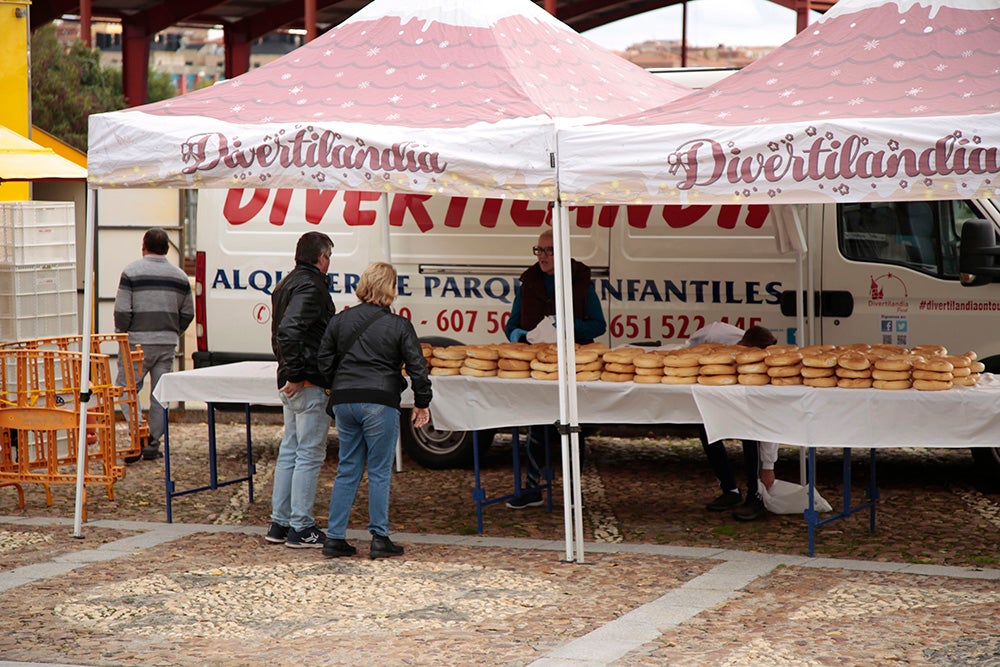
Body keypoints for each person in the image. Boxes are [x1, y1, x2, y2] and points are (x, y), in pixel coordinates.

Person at [318, 261, 432, 560]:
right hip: (380, 401)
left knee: (347, 468)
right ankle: (380, 538)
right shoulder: (398, 325)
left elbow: (324, 361)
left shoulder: (340, 320)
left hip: (345, 400)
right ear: (390, 289)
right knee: (379, 471)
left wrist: (337, 385)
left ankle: (334, 537)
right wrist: (422, 401)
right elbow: (417, 367)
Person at [502, 228, 606, 508]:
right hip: (537, 364)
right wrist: (519, 335)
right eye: (539, 250)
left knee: (571, 427)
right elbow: (511, 324)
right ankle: (532, 488)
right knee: (536, 426)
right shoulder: (528, 284)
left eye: (548, 251)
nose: (543, 256)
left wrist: (568, 326)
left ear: (561, 252)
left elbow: (599, 325)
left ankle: (573, 491)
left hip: (572, 364)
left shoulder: (581, 283)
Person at [265, 231, 336, 549]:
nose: (329, 263)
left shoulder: (286, 283)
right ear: (321, 258)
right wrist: (295, 373)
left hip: (293, 380)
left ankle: (280, 524)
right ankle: (301, 527)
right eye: (328, 257)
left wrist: (286, 369)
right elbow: (290, 330)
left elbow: (279, 333)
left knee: (290, 452)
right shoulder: (311, 285)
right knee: (308, 453)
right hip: (306, 381)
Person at [114, 228, 194, 462]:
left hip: (137, 342)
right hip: (166, 342)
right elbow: (188, 312)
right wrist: (174, 331)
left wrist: (124, 331)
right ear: (167, 249)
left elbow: (122, 310)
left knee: (127, 388)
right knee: (161, 393)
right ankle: (153, 440)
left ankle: (139, 435)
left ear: (143, 246)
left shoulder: (131, 272)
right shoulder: (180, 277)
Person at [698, 324, 779, 521]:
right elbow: (691, 346)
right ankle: (730, 490)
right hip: (717, 393)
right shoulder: (716, 336)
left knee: (750, 432)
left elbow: (769, 424)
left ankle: (754, 495)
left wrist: (768, 467)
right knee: (705, 428)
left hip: (746, 398)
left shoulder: (764, 371)